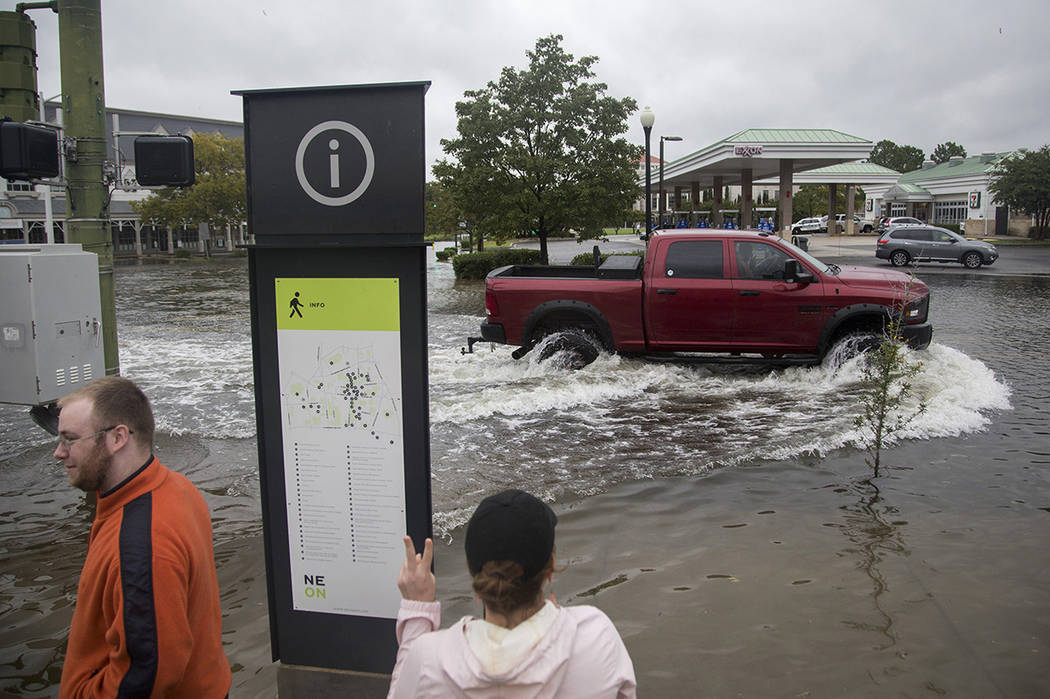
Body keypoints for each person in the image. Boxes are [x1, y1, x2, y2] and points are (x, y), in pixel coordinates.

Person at [53, 376, 231, 698]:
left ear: (118, 437)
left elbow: (146, 677)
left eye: (69, 439)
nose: (58, 453)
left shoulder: (141, 546)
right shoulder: (177, 487)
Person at [388, 489, 636, 698]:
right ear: (551, 567)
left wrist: (417, 609)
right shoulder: (595, 637)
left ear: (473, 570)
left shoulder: (429, 659)